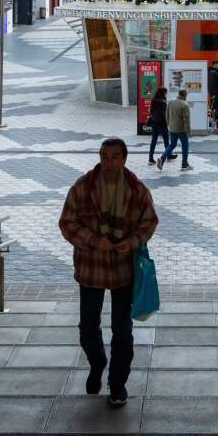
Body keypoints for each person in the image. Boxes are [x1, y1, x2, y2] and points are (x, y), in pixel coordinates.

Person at [59, 138, 159, 407]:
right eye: (104, 156)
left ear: (124, 158)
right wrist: (93, 240)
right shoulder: (83, 187)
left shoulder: (136, 190)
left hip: (124, 270)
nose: (109, 162)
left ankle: (117, 385)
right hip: (92, 267)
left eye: (115, 156)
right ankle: (97, 361)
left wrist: (134, 241)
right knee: (88, 328)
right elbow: (67, 222)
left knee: (122, 331)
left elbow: (150, 221)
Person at [157, 89, 192, 172]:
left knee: (172, 144)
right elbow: (186, 120)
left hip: (172, 128)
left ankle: (162, 158)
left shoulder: (171, 102)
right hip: (181, 129)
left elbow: (167, 114)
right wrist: (188, 131)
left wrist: (168, 123)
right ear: (185, 95)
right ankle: (184, 165)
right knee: (185, 146)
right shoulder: (184, 105)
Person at [147, 87, 170, 166]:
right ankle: (168, 155)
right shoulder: (163, 102)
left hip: (154, 123)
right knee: (166, 140)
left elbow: (151, 112)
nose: (166, 94)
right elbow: (165, 115)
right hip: (162, 124)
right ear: (163, 93)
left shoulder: (154, 100)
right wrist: (168, 123)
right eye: (165, 93)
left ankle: (150, 158)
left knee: (153, 141)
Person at [207, 61, 218, 130]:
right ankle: (217, 123)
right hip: (215, 95)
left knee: (213, 108)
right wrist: (214, 94)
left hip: (214, 94)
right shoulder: (213, 73)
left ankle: (212, 123)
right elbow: (212, 85)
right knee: (216, 109)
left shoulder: (212, 72)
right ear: (215, 65)